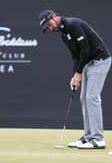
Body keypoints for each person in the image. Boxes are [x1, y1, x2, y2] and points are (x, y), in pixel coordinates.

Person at [38, 10, 111, 149]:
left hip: (100, 60)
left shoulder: (73, 24)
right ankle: (88, 136)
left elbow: (86, 50)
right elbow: (76, 57)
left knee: (92, 97)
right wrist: (74, 76)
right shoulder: (64, 35)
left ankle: (98, 139)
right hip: (89, 63)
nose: (50, 28)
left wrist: (78, 73)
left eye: (49, 24)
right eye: (47, 27)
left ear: (54, 16)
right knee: (84, 98)